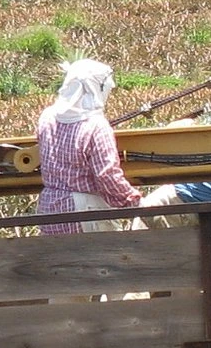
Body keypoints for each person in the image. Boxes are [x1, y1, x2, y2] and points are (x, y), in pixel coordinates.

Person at [36, 59, 145, 233]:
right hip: (84, 211)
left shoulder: (47, 117)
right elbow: (107, 175)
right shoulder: (96, 126)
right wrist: (134, 202)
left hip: (49, 210)